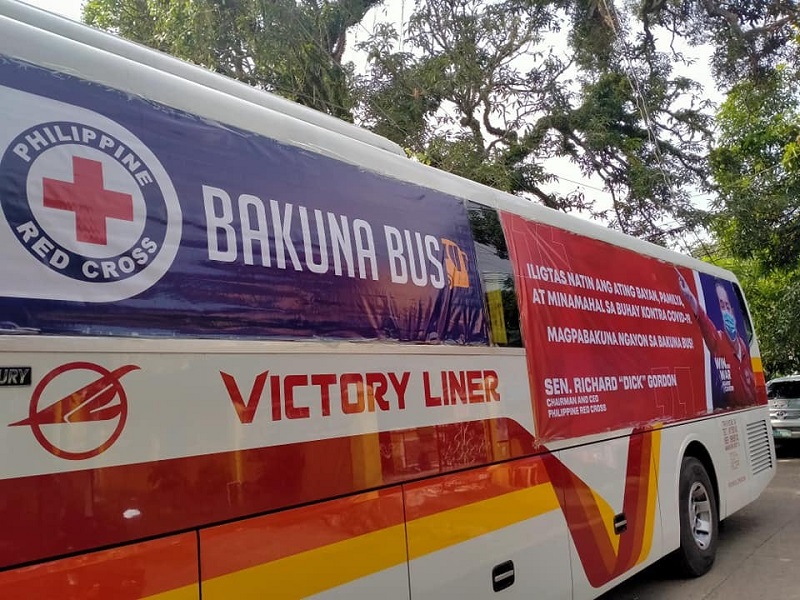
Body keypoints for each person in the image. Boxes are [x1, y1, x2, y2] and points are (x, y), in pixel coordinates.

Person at [677, 271, 756, 408]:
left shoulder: (744, 346)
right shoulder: (719, 341)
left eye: (727, 305)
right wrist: (690, 297)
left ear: (732, 310)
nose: (725, 311)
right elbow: (706, 324)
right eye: (721, 306)